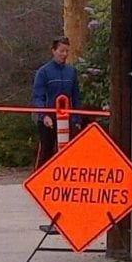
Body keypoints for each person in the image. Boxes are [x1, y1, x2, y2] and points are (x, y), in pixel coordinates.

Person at [31, 36, 82, 168]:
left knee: (69, 152)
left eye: (66, 51)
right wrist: (44, 116)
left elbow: (76, 97)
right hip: (49, 120)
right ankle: (42, 180)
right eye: (61, 51)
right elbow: (38, 97)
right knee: (47, 151)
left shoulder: (71, 72)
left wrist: (77, 120)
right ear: (53, 51)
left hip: (67, 119)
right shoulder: (43, 72)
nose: (64, 54)